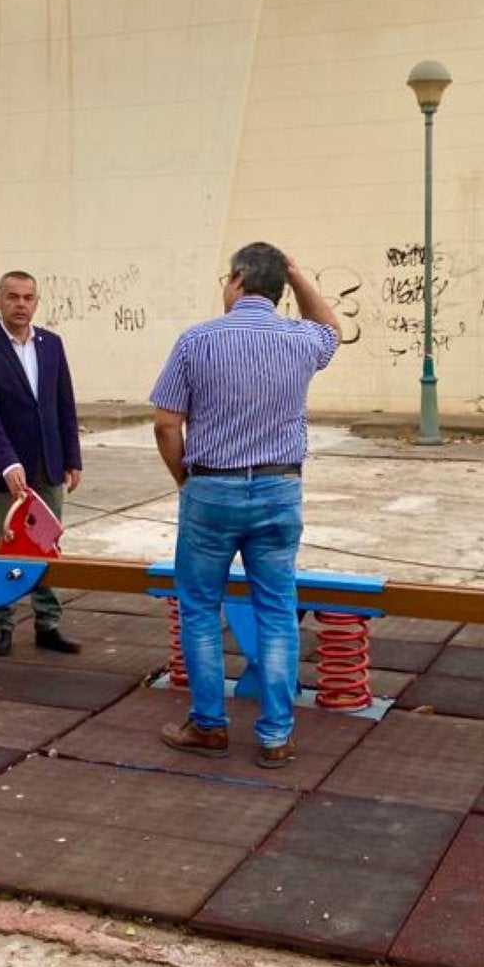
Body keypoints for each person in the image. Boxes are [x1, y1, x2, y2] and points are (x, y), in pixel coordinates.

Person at [149, 242, 341, 768]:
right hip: (280, 490)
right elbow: (333, 329)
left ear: (236, 281)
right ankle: (276, 734)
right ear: (280, 288)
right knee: (278, 610)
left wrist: (185, 481)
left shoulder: (197, 340)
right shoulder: (301, 340)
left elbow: (167, 423)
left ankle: (209, 725)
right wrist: (297, 275)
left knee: (200, 607)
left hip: (212, 488)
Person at [0, 269, 83, 657]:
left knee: (47, 546)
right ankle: (1, 626)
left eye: (28, 298)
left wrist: (72, 458)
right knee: (2, 548)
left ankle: (48, 624)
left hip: (49, 465)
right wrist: (7, 463)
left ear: (36, 302)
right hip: (2, 473)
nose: (20, 305)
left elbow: (64, 404)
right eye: (12, 297)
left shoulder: (52, 345)